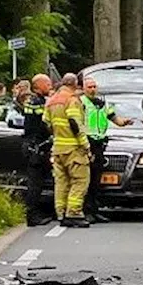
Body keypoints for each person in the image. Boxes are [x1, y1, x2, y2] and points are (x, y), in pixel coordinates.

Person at [80, 76, 133, 222]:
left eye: (94, 87)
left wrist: (124, 122)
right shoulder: (81, 103)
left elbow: (114, 118)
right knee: (86, 179)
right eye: (89, 87)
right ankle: (86, 210)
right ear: (83, 89)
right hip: (87, 142)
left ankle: (94, 210)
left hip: (99, 143)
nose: (92, 89)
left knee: (96, 179)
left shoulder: (103, 103)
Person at [46, 73, 91, 228]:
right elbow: (75, 123)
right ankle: (74, 212)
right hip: (73, 148)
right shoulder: (72, 100)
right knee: (80, 181)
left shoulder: (51, 101)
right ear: (75, 84)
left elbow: (46, 123)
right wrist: (85, 145)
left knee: (61, 182)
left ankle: (61, 212)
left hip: (58, 148)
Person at [21, 74, 54, 226]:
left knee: (38, 182)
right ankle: (32, 215)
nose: (50, 86)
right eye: (47, 84)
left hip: (33, 145)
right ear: (38, 86)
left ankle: (37, 212)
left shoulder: (32, 101)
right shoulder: (37, 103)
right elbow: (44, 124)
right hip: (36, 147)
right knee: (35, 183)